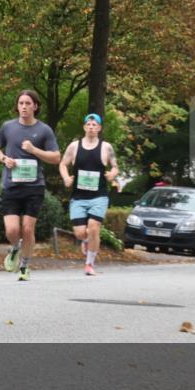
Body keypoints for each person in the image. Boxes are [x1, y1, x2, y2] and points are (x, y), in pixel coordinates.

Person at [0, 90, 61, 281]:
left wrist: (34, 150)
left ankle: (25, 265)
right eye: (21, 103)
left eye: (28, 103)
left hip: (34, 186)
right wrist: (5, 159)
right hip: (11, 185)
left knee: (28, 229)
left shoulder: (44, 130)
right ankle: (15, 248)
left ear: (35, 106)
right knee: (12, 230)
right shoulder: (8, 127)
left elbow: (56, 157)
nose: (24, 107)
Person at [59, 113, 119, 276]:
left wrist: (112, 174)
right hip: (78, 197)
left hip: (99, 196)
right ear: (84, 127)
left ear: (99, 128)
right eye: (89, 124)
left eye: (95, 125)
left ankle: (89, 264)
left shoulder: (106, 147)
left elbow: (115, 166)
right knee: (80, 233)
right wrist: (66, 178)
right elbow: (63, 164)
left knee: (93, 228)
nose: (91, 127)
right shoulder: (74, 147)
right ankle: (86, 241)